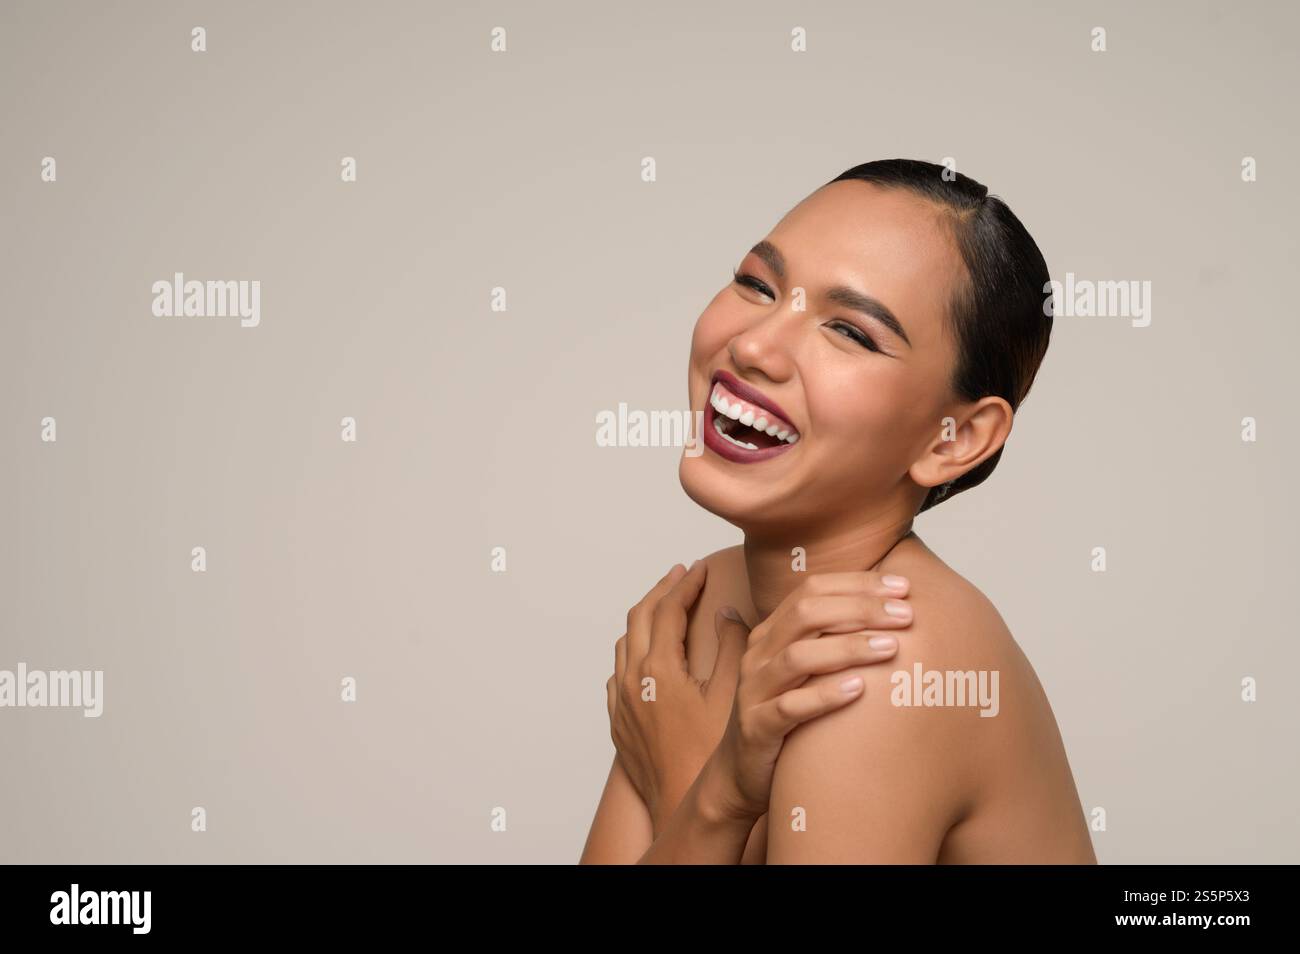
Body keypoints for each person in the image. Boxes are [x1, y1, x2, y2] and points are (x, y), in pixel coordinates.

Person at [582, 159, 1096, 864]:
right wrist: (712, 794)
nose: (755, 345)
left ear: (958, 439)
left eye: (851, 332)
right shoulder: (706, 604)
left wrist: (700, 789)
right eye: (757, 285)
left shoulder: (890, 658)